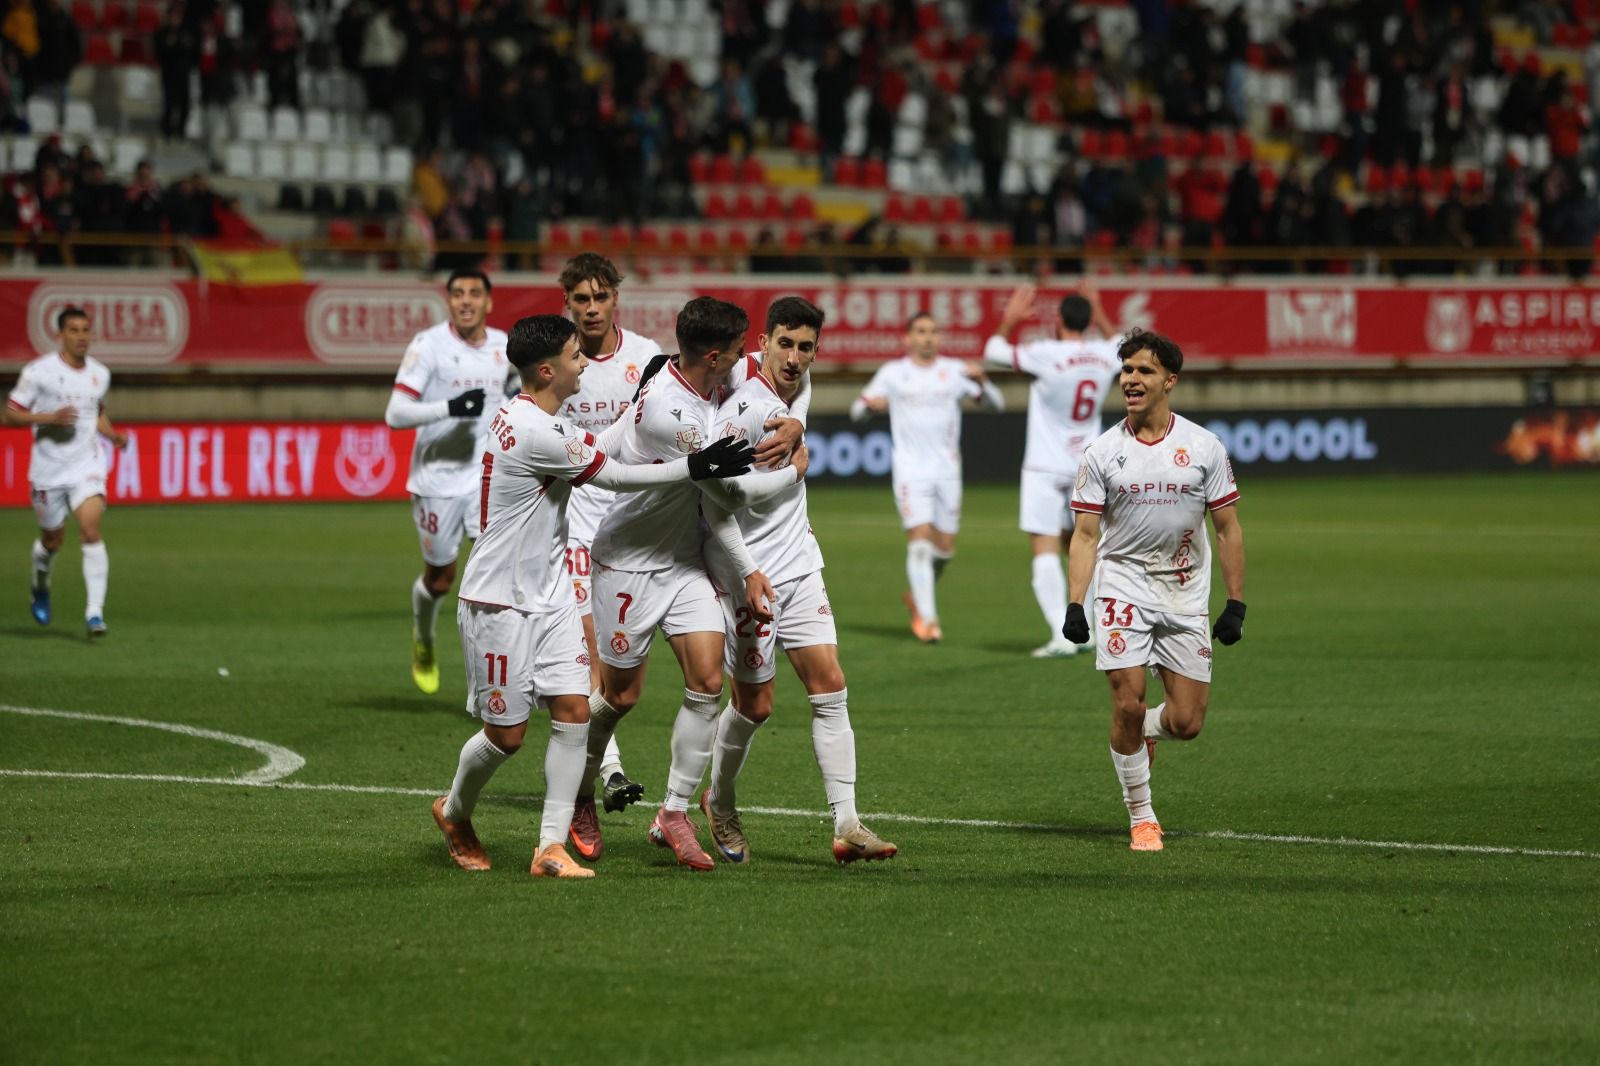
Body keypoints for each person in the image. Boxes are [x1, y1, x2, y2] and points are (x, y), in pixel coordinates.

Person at [431, 314, 757, 879]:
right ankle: (454, 810)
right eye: (574, 356)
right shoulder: (535, 431)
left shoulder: (538, 418)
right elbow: (615, 476)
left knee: (575, 712)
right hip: (499, 600)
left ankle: (549, 847)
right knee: (506, 737)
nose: (584, 363)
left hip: (552, 590)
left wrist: (639, 405)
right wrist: (693, 466)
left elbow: (602, 445)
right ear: (546, 369)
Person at [559, 254, 815, 823]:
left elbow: (777, 374)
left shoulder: (677, 367)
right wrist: (795, 468)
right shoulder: (671, 415)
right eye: (739, 352)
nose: (748, 362)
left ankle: (673, 813)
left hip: (683, 558)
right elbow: (725, 497)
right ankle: (579, 790)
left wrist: (795, 421)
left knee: (706, 681)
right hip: (627, 551)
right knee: (619, 696)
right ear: (714, 356)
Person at [701, 296, 898, 865]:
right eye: (783, 343)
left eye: (805, 347)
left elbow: (798, 393)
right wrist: (747, 571)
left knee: (830, 685)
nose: (793, 357)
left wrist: (800, 422)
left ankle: (847, 822)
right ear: (762, 342)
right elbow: (717, 509)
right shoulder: (741, 411)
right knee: (756, 706)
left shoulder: (792, 396)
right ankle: (720, 800)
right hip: (748, 576)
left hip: (799, 565)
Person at [1063, 329, 1247, 853]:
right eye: (1126, 371)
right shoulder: (1101, 452)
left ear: (1170, 380)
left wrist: (1235, 602)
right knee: (1126, 700)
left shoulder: (1204, 447)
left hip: (1185, 590)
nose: (1131, 380)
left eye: (1143, 371)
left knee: (1186, 722)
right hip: (1122, 584)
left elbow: (1228, 527)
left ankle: (1142, 731)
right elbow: (1085, 534)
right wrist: (1076, 602)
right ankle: (1142, 816)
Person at [556, 252, 662, 814]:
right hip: (575, 519)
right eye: (581, 299)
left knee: (627, 666)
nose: (592, 309)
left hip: (634, 524)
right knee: (592, 652)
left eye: (600, 297)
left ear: (615, 298)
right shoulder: (555, 360)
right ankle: (609, 772)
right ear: (566, 303)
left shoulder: (645, 357)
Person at [384, 269, 512, 695]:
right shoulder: (428, 346)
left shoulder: (503, 347)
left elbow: (516, 392)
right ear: (449, 301)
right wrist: (450, 407)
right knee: (441, 578)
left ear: (488, 302)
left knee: (488, 578)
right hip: (436, 480)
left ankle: (490, 680)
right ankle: (424, 638)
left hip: (484, 478)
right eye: (458, 294)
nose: (466, 301)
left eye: (475, 293)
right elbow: (396, 413)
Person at [984, 281, 1121, 658]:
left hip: (1045, 465)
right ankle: (1089, 629)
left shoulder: (1045, 352)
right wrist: (1101, 311)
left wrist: (1009, 320)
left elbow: (993, 352)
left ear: (1057, 320)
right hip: (1088, 464)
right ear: (1089, 320)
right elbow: (1127, 345)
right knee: (1086, 542)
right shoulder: (1103, 353)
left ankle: (1061, 635)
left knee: (1044, 547)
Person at [849, 311, 1003, 643]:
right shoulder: (893, 373)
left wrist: (984, 383)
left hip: (948, 471)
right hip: (910, 471)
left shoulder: (954, 372)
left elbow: (996, 406)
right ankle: (928, 621)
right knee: (919, 542)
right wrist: (870, 405)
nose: (927, 337)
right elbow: (856, 409)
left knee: (944, 550)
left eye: (933, 331)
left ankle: (918, 594)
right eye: (920, 331)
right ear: (907, 338)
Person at [4, 307, 128, 636]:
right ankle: (40, 586)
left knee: (90, 530)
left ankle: (94, 613)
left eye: (86, 329)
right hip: (48, 471)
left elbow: (95, 412)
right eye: (73, 330)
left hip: (87, 465)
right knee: (52, 541)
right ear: (60, 336)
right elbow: (11, 415)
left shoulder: (100, 374)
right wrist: (49, 418)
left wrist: (112, 435)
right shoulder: (39, 372)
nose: (81, 336)